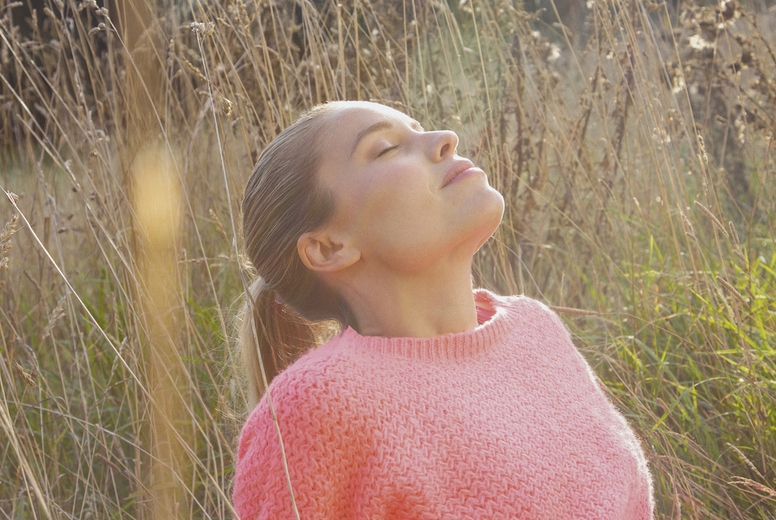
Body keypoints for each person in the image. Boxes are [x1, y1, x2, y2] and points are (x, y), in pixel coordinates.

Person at [232, 100, 654, 519]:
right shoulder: (315, 407)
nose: (445, 139)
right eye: (385, 148)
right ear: (329, 247)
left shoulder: (536, 331)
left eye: (421, 127)